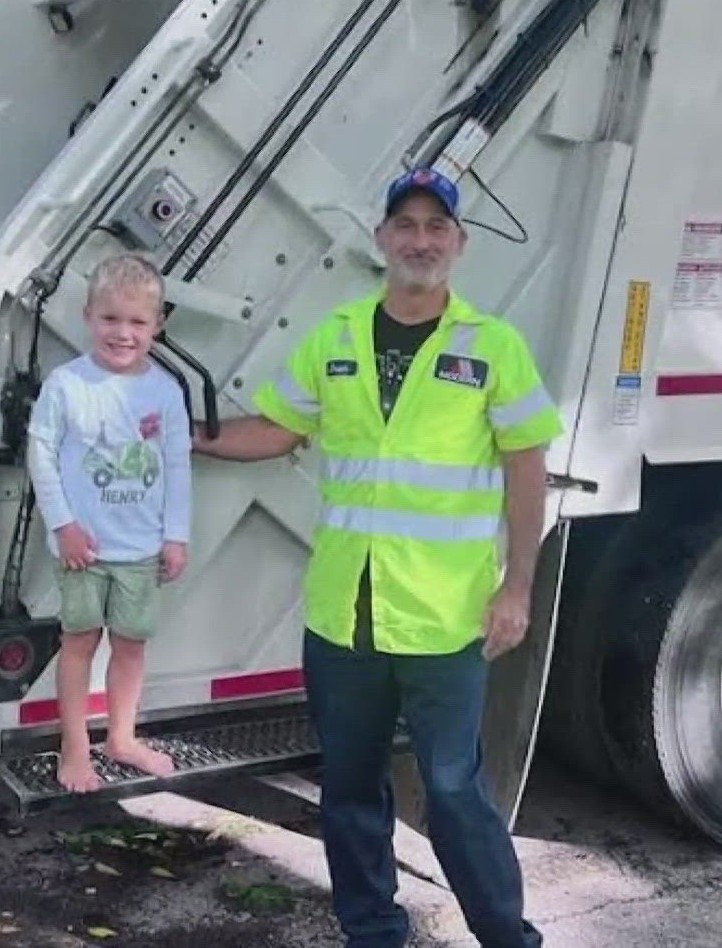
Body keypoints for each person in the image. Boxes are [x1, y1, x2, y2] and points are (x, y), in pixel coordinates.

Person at [193, 168, 562, 948]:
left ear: (458, 243)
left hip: (444, 618)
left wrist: (518, 587)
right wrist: (195, 433)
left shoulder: (492, 347)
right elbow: (278, 428)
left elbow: (527, 466)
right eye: (407, 225)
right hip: (343, 614)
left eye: (437, 226)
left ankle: (508, 937)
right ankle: (372, 931)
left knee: (456, 789)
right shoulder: (337, 337)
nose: (421, 240)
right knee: (351, 789)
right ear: (382, 239)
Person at [26, 252, 192, 793]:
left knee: (131, 645)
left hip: (141, 550)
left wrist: (175, 535)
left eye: (137, 322)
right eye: (110, 319)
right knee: (78, 642)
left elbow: (177, 465)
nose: (123, 333)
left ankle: (122, 738)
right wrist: (63, 526)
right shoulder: (66, 384)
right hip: (85, 550)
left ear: (157, 325)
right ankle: (74, 749)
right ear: (88, 315)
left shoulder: (166, 391)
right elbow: (41, 454)